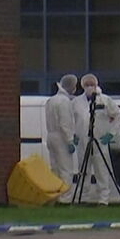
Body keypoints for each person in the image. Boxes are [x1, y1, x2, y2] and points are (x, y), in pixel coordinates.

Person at [73, 73, 120, 206]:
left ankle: (103, 199)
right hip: (83, 140)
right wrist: (74, 135)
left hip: (100, 140)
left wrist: (111, 134)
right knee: (83, 170)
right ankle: (83, 197)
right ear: (82, 86)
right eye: (87, 84)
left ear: (96, 84)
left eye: (92, 84)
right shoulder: (76, 102)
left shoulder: (105, 100)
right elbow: (72, 120)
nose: (90, 87)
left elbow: (118, 117)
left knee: (102, 170)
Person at [45, 74, 79, 204]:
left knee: (55, 169)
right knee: (66, 170)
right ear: (71, 86)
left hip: (51, 135)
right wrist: (70, 140)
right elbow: (65, 124)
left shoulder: (51, 100)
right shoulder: (64, 102)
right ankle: (65, 199)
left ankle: (54, 197)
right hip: (61, 138)